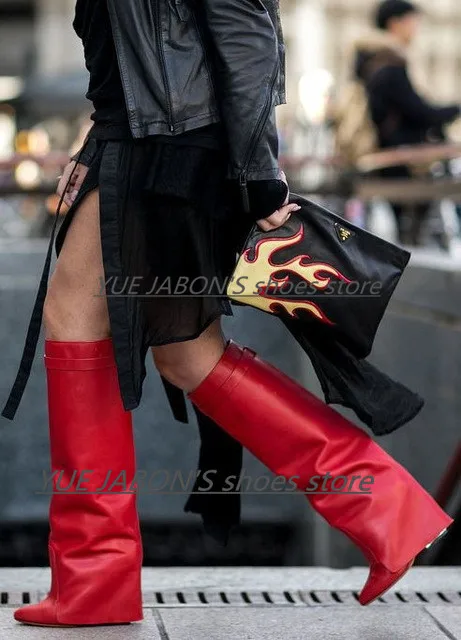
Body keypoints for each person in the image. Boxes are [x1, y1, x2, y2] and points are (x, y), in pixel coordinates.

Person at [1, 0, 452, 628]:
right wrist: (93, 136)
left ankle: (95, 575)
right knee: (185, 353)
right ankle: (382, 504)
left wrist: (259, 172)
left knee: (80, 322)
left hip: (165, 152)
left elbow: (245, 29)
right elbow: (129, 58)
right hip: (140, 143)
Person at [353, 0, 461, 243]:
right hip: (398, 159)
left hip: (380, 155)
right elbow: (417, 111)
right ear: (395, 24)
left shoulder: (370, 59)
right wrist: (454, 110)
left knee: (402, 224)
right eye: (413, 22)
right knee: (410, 224)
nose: (417, 29)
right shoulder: (389, 64)